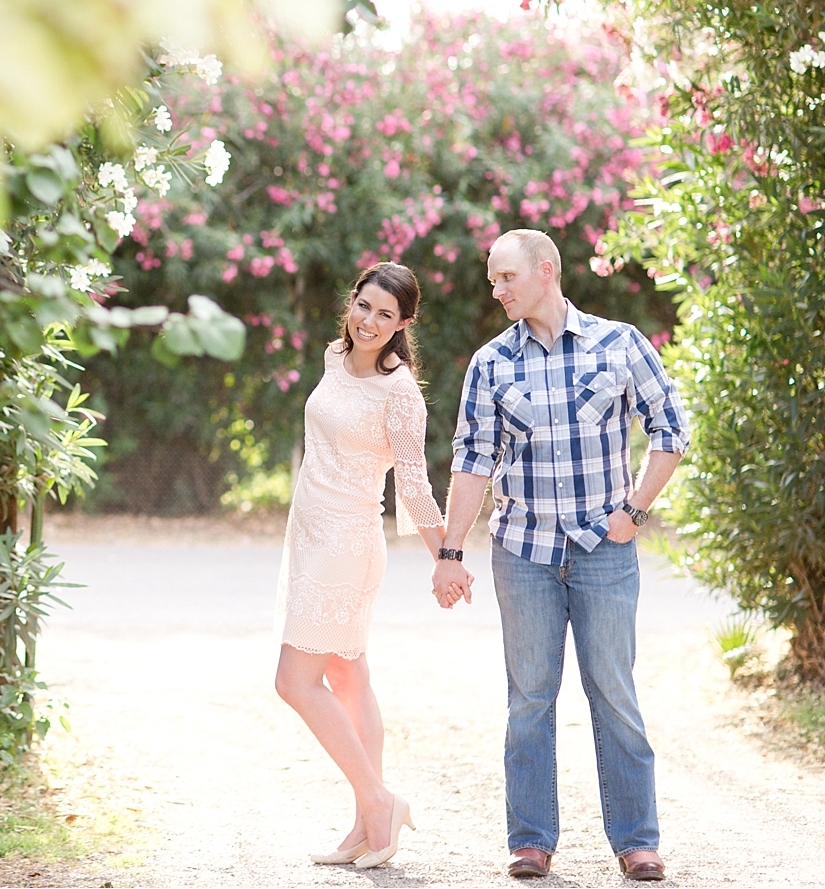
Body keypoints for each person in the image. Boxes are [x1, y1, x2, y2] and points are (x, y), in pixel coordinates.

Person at [430, 229, 688, 883]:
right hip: (523, 554)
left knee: (615, 694)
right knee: (529, 701)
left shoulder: (620, 342)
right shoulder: (490, 363)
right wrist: (450, 550)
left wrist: (635, 511)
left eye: (506, 277)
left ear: (546, 270)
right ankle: (531, 841)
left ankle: (637, 841)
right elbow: (472, 459)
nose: (497, 290)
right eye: (493, 280)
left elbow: (670, 429)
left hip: (606, 552)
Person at [273, 262, 458, 869]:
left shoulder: (400, 393)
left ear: (404, 323)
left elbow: (413, 483)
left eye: (386, 315)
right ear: (351, 302)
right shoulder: (335, 357)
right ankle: (364, 825)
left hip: (347, 545)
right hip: (309, 532)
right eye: (364, 306)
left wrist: (446, 559)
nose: (370, 322)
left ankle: (379, 803)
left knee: (294, 682)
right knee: (349, 679)